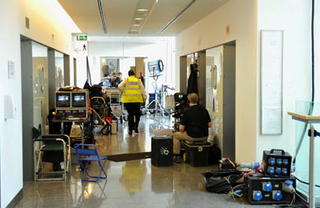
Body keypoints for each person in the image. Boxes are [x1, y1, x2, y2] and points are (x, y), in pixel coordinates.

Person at [172, 93, 212, 162]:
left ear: (188, 101)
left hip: (192, 136)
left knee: (175, 135)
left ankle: (177, 156)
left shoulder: (187, 112)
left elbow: (181, 129)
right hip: (204, 136)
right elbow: (210, 125)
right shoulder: (204, 110)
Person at [118, 70, 146, 135]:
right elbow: (143, 90)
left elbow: (119, 86)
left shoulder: (126, 80)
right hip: (137, 100)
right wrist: (144, 98)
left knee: (130, 115)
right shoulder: (138, 81)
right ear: (134, 74)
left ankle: (130, 129)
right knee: (137, 114)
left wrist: (122, 91)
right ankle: (136, 126)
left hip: (128, 100)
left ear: (128, 74)